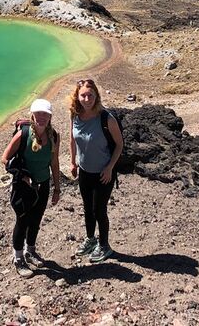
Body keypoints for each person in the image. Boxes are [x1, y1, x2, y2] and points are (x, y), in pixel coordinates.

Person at [1, 97, 60, 278]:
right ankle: (18, 257)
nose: (41, 117)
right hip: (24, 187)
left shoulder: (54, 136)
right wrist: (23, 175)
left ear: (50, 117)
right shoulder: (23, 134)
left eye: (45, 114)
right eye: (38, 113)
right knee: (22, 220)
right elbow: (5, 159)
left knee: (36, 219)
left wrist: (57, 188)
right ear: (32, 115)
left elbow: (54, 162)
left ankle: (30, 250)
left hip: (42, 185)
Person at [69, 77, 124, 262]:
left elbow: (119, 145)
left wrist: (110, 168)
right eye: (83, 95)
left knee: (99, 210)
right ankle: (91, 239)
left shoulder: (106, 118)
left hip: (103, 173)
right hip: (85, 171)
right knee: (87, 208)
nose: (87, 99)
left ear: (96, 96)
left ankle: (104, 246)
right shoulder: (75, 115)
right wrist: (73, 162)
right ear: (77, 97)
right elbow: (72, 139)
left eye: (90, 95)